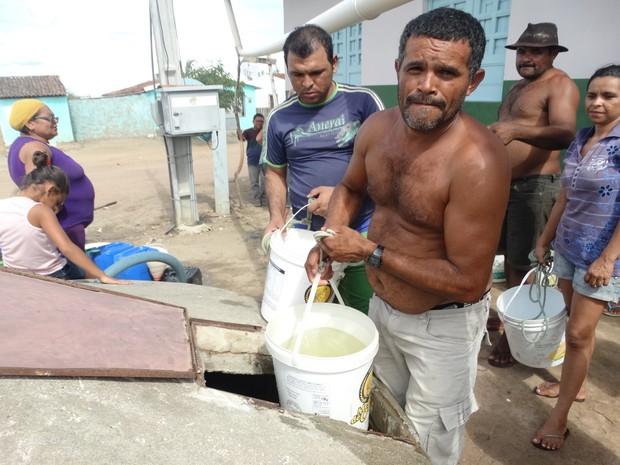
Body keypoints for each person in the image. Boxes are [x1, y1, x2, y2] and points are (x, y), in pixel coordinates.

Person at [305, 8, 510, 464]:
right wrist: (330, 237)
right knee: (385, 422)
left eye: (447, 72)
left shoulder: (478, 161)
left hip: (443, 327)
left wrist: (369, 252)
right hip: (383, 310)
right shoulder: (377, 130)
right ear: (398, 69)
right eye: (416, 67)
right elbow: (351, 187)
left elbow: (470, 280)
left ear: (473, 81)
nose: (427, 85)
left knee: (428, 446)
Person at [261, 24, 384, 314]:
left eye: (316, 72)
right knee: (305, 313)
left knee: (360, 314)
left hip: (359, 233)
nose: (307, 83)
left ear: (334, 63)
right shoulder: (279, 118)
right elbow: (274, 172)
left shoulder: (363, 102)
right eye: (297, 74)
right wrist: (276, 217)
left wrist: (340, 194)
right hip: (305, 237)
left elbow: (387, 168)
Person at [530, 64, 620, 451]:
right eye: (593, 94)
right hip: (567, 246)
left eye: (609, 95)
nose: (597, 102)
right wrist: (544, 240)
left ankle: (560, 417)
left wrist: (609, 259)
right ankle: (577, 384)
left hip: (600, 256)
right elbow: (564, 196)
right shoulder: (581, 138)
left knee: (579, 334)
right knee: (576, 330)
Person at [487, 22, 580, 368]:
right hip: (503, 186)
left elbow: (566, 133)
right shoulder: (517, 87)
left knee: (520, 263)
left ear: (553, 54)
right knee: (493, 255)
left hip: (535, 188)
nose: (525, 57)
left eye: (534, 51)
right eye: (521, 51)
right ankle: (503, 317)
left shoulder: (560, 85)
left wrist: (515, 130)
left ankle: (514, 340)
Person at [0, 151, 128, 284]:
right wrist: (102, 276)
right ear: (50, 190)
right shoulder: (41, 211)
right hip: (54, 273)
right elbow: (66, 247)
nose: (56, 209)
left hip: (16, 274)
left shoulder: (2, 206)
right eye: (57, 202)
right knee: (88, 272)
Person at [8, 99, 95, 251]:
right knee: (74, 272)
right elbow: (39, 190)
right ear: (30, 124)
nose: (55, 122)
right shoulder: (35, 147)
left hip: (66, 226)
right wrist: (55, 211)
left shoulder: (23, 143)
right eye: (49, 118)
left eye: (55, 118)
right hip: (64, 228)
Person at [237, 113, 266, 207]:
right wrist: (239, 134)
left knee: (265, 181)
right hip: (252, 161)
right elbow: (242, 139)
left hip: (265, 161)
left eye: (261, 121)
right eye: (257, 121)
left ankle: (263, 197)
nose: (259, 123)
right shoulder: (248, 132)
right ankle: (257, 199)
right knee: (254, 182)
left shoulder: (266, 131)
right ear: (253, 121)